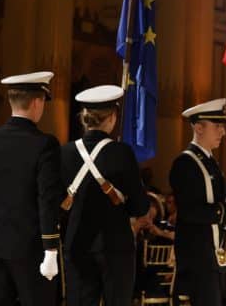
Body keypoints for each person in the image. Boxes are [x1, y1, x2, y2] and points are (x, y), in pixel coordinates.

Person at [60, 85, 152, 305]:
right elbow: (140, 207)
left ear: (84, 118)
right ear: (112, 117)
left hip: (76, 243)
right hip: (115, 246)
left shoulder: (64, 152)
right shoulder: (121, 152)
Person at [0, 71, 62, 306]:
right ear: (37, 102)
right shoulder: (45, 144)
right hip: (30, 248)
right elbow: (47, 201)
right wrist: (51, 249)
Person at [169, 98, 226, 305]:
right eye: (217, 126)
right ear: (199, 127)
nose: (223, 132)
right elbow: (190, 211)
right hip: (197, 257)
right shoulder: (185, 163)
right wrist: (225, 213)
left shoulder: (210, 163)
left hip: (212, 256)